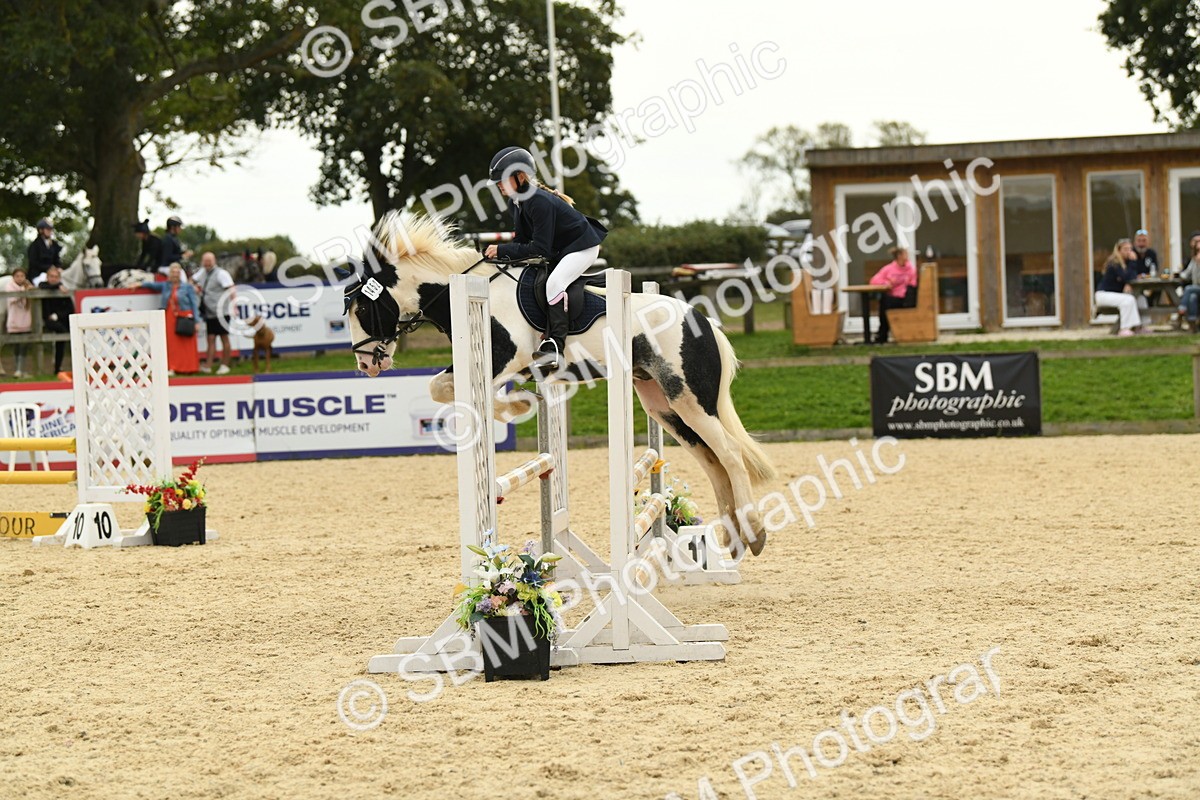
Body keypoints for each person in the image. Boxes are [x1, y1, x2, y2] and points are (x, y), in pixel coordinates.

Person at [482, 146, 607, 371]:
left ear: (520, 177)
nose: (499, 185)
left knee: (555, 283)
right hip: (562, 249)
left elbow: (541, 249)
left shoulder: (538, 201)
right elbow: (522, 240)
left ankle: (555, 347)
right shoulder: (516, 202)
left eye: (502, 180)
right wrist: (501, 257)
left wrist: (502, 250)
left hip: (582, 247)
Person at [141, 263, 200, 375]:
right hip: (169, 317)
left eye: (177, 273)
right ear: (169, 274)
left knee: (186, 343)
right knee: (171, 344)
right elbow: (152, 285)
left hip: (184, 316)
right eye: (173, 272)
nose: (175, 275)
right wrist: (139, 284)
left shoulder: (187, 287)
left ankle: (188, 368)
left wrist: (196, 321)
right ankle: (172, 367)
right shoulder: (165, 286)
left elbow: (194, 304)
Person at [1095, 238, 1149, 336]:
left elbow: (1131, 277)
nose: (1128, 252)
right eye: (1125, 249)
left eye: (1130, 249)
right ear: (1119, 250)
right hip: (1104, 294)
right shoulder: (1114, 263)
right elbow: (1128, 278)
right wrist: (1133, 262)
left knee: (1140, 298)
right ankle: (1125, 328)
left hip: (1116, 294)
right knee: (1128, 300)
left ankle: (1140, 326)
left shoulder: (1126, 263)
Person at [193, 250, 234, 374]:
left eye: (209, 261)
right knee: (210, 338)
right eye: (205, 261)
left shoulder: (222, 274)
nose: (207, 263)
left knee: (223, 337)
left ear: (214, 261)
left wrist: (235, 305)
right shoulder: (202, 273)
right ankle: (208, 365)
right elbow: (192, 280)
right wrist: (194, 288)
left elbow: (231, 289)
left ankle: (225, 365)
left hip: (222, 311)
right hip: (210, 311)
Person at [868, 246, 919, 344]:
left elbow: (913, 284)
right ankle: (882, 334)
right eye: (905, 254)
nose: (907, 256)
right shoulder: (889, 269)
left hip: (906, 298)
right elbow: (874, 280)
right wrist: (886, 283)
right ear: (899, 256)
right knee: (885, 302)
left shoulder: (910, 269)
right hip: (892, 297)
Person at [40, 265, 75, 375]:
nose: (53, 279)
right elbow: (43, 286)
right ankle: (54, 368)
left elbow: (70, 308)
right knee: (62, 333)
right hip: (47, 320)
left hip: (61, 320)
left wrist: (58, 316)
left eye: (56, 277)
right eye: (51, 276)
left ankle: (58, 368)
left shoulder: (63, 290)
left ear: (59, 278)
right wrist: (58, 285)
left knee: (64, 337)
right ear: (47, 277)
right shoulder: (44, 286)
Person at [2, 268, 33, 377]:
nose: (20, 278)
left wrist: (28, 289)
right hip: (14, 321)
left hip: (25, 321)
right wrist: (25, 291)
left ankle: (21, 370)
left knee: (24, 346)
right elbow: (12, 298)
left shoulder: (28, 286)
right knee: (16, 346)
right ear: (13, 277)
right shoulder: (10, 287)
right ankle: (17, 370)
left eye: (22, 276)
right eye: (17, 276)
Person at [26, 219, 62, 284]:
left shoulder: (54, 244)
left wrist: (58, 267)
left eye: (51, 229)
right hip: (38, 275)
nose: (50, 231)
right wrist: (49, 267)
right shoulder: (34, 245)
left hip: (53, 274)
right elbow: (34, 263)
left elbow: (57, 259)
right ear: (41, 230)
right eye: (47, 229)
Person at [1176, 238, 1200, 332]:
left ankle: (1181, 310)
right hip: (1196, 290)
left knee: (1188, 289)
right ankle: (1193, 325)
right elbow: (1186, 274)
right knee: (1192, 297)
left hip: (1195, 287)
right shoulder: (1194, 260)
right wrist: (1178, 274)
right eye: (1198, 250)